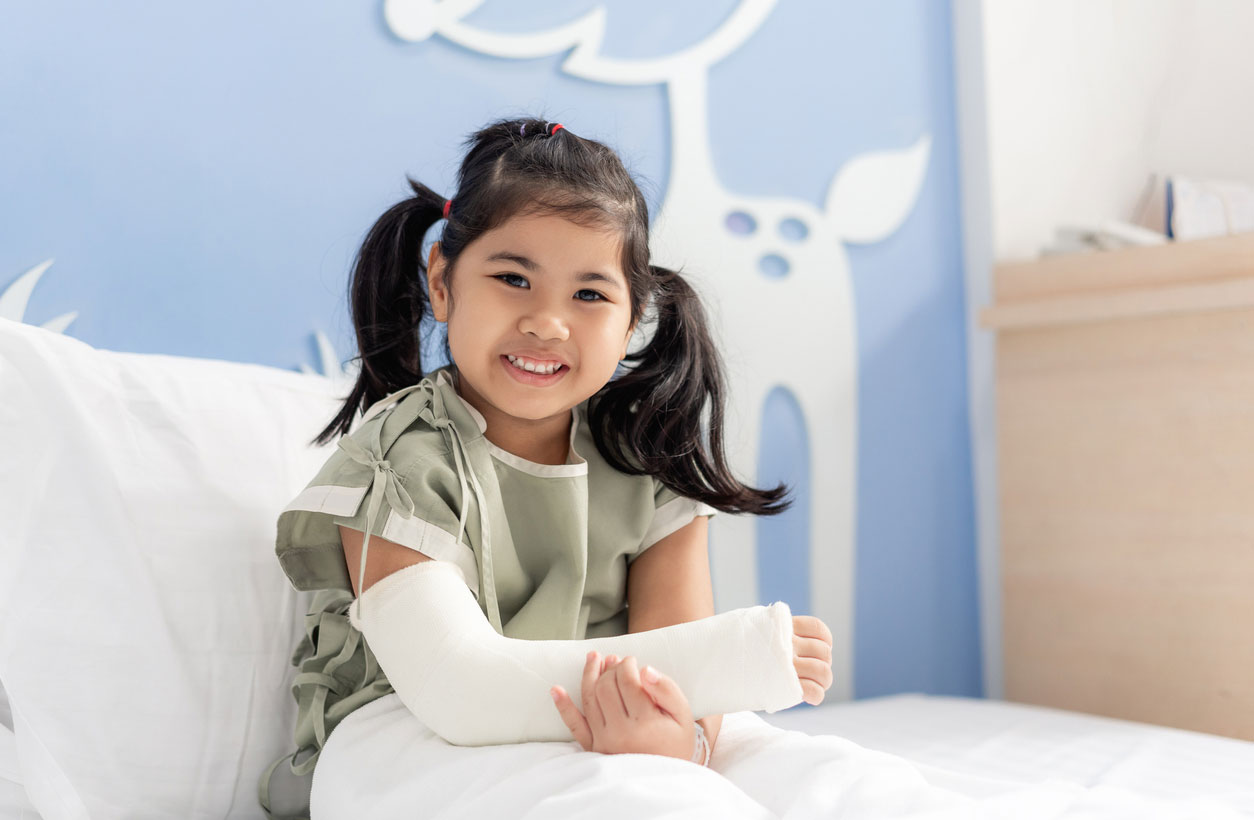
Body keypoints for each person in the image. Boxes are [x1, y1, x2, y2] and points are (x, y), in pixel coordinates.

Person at [257, 116, 835, 819]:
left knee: (820, 780)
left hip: (602, 712)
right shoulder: (400, 462)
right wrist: (740, 660)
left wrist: (680, 743)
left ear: (632, 319)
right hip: (416, 731)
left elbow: (686, 665)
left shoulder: (644, 461)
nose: (548, 322)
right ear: (442, 282)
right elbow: (457, 686)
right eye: (513, 278)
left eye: (589, 294)